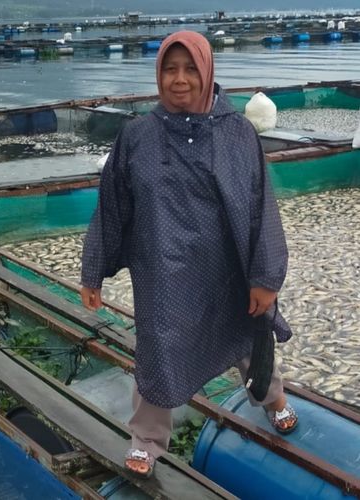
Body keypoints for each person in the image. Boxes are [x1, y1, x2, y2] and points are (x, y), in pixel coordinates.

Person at [80, 31, 298, 478]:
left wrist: (265, 278)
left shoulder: (237, 133)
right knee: (157, 349)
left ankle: (274, 400)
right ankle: (146, 440)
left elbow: (261, 208)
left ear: (207, 71)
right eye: (169, 69)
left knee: (246, 338)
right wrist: (94, 272)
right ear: (158, 74)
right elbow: (113, 205)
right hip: (163, 271)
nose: (180, 80)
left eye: (190, 69)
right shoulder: (138, 136)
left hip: (228, 270)